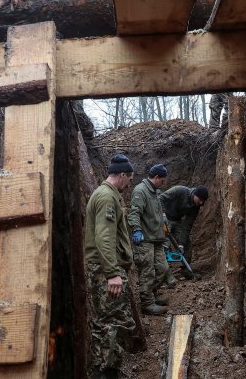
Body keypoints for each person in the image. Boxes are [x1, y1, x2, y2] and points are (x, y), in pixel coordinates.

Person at [84, 154, 137, 379]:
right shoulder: (106, 197)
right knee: (107, 323)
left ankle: (111, 369)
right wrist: (112, 274)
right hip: (104, 270)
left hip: (105, 268)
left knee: (114, 321)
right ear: (122, 175)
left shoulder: (106, 194)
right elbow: (104, 237)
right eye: (129, 179)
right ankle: (103, 373)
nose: (129, 184)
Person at [128, 163, 169, 315]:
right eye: (162, 180)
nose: (163, 183)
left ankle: (153, 295)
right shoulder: (141, 191)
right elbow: (134, 213)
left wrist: (163, 220)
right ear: (156, 177)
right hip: (145, 239)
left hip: (157, 238)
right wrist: (136, 229)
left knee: (163, 269)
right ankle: (147, 303)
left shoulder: (155, 192)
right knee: (147, 271)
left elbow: (157, 212)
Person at [159, 185, 209, 280]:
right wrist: (162, 213)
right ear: (195, 194)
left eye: (203, 201)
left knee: (187, 244)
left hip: (177, 220)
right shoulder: (179, 190)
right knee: (164, 245)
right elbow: (161, 198)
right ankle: (163, 276)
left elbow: (187, 225)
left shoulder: (196, 206)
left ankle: (186, 271)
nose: (201, 202)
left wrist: (181, 244)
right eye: (200, 199)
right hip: (164, 219)